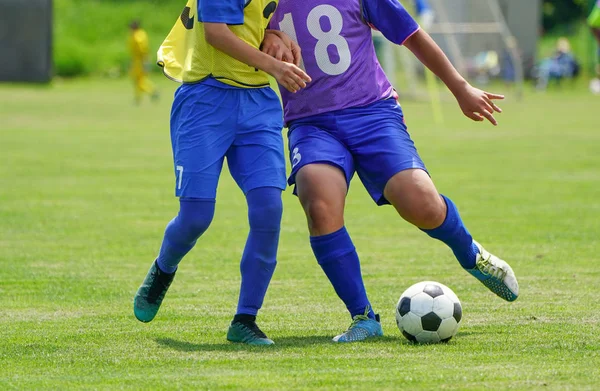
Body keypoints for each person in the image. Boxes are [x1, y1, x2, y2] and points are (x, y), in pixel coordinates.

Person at [265, 0, 519, 342]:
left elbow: (411, 35)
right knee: (318, 199)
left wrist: (460, 87)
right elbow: (230, 30)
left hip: (373, 114)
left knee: (422, 203)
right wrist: (266, 33)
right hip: (311, 123)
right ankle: (363, 317)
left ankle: (470, 254)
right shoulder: (262, 2)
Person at [132, 0, 310, 346]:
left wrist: (274, 33)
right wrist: (275, 66)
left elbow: (254, 20)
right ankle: (164, 268)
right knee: (197, 216)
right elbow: (215, 33)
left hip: (257, 102)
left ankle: (246, 318)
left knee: (268, 209)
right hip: (206, 99)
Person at [128, 21, 158, 104]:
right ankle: (138, 97)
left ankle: (151, 90)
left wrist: (144, 61)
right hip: (139, 60)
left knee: (138, 80)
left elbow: (142, 50)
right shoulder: (142, 34)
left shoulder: (136, 36)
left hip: (139, 61)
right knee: (138, 79)